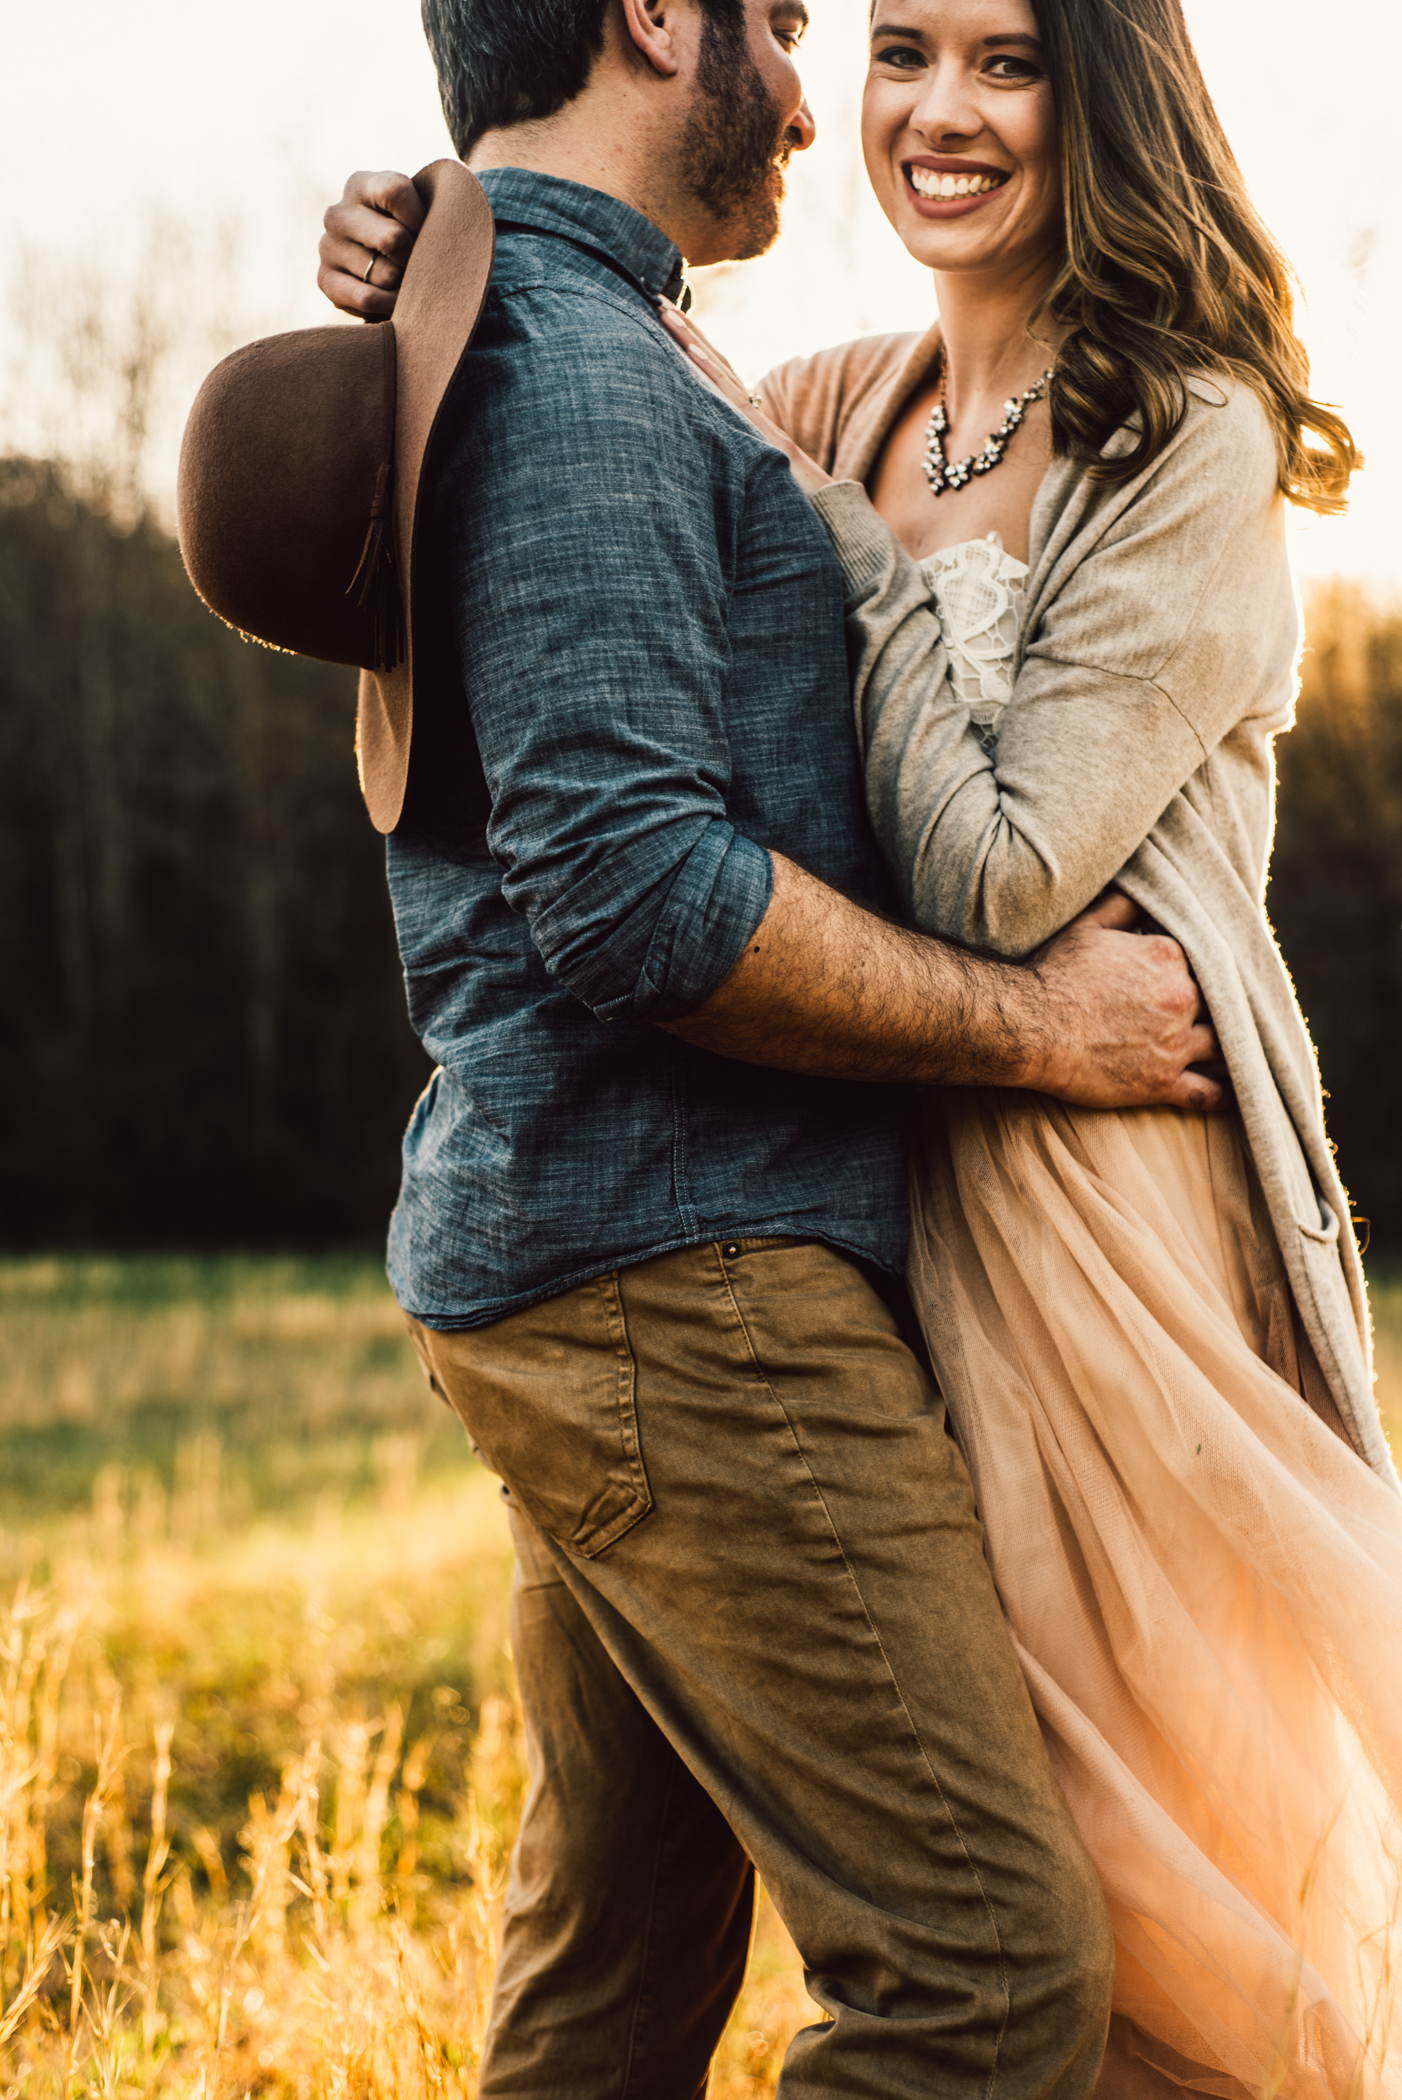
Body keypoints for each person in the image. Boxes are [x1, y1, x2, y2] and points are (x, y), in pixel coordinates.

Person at [323, 0, 1402, 2095]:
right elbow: (642, 848)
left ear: (1099, 89)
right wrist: (435, 244)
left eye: (1000, 59)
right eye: (878, 41)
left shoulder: (1147, 429)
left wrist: (464, 249)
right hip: (767, 1226)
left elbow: (989, 862)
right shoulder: (791, 397)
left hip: (1081, 1238)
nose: (884, 106)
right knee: (961, 1964)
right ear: (662, 24)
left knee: (1139, 1914)